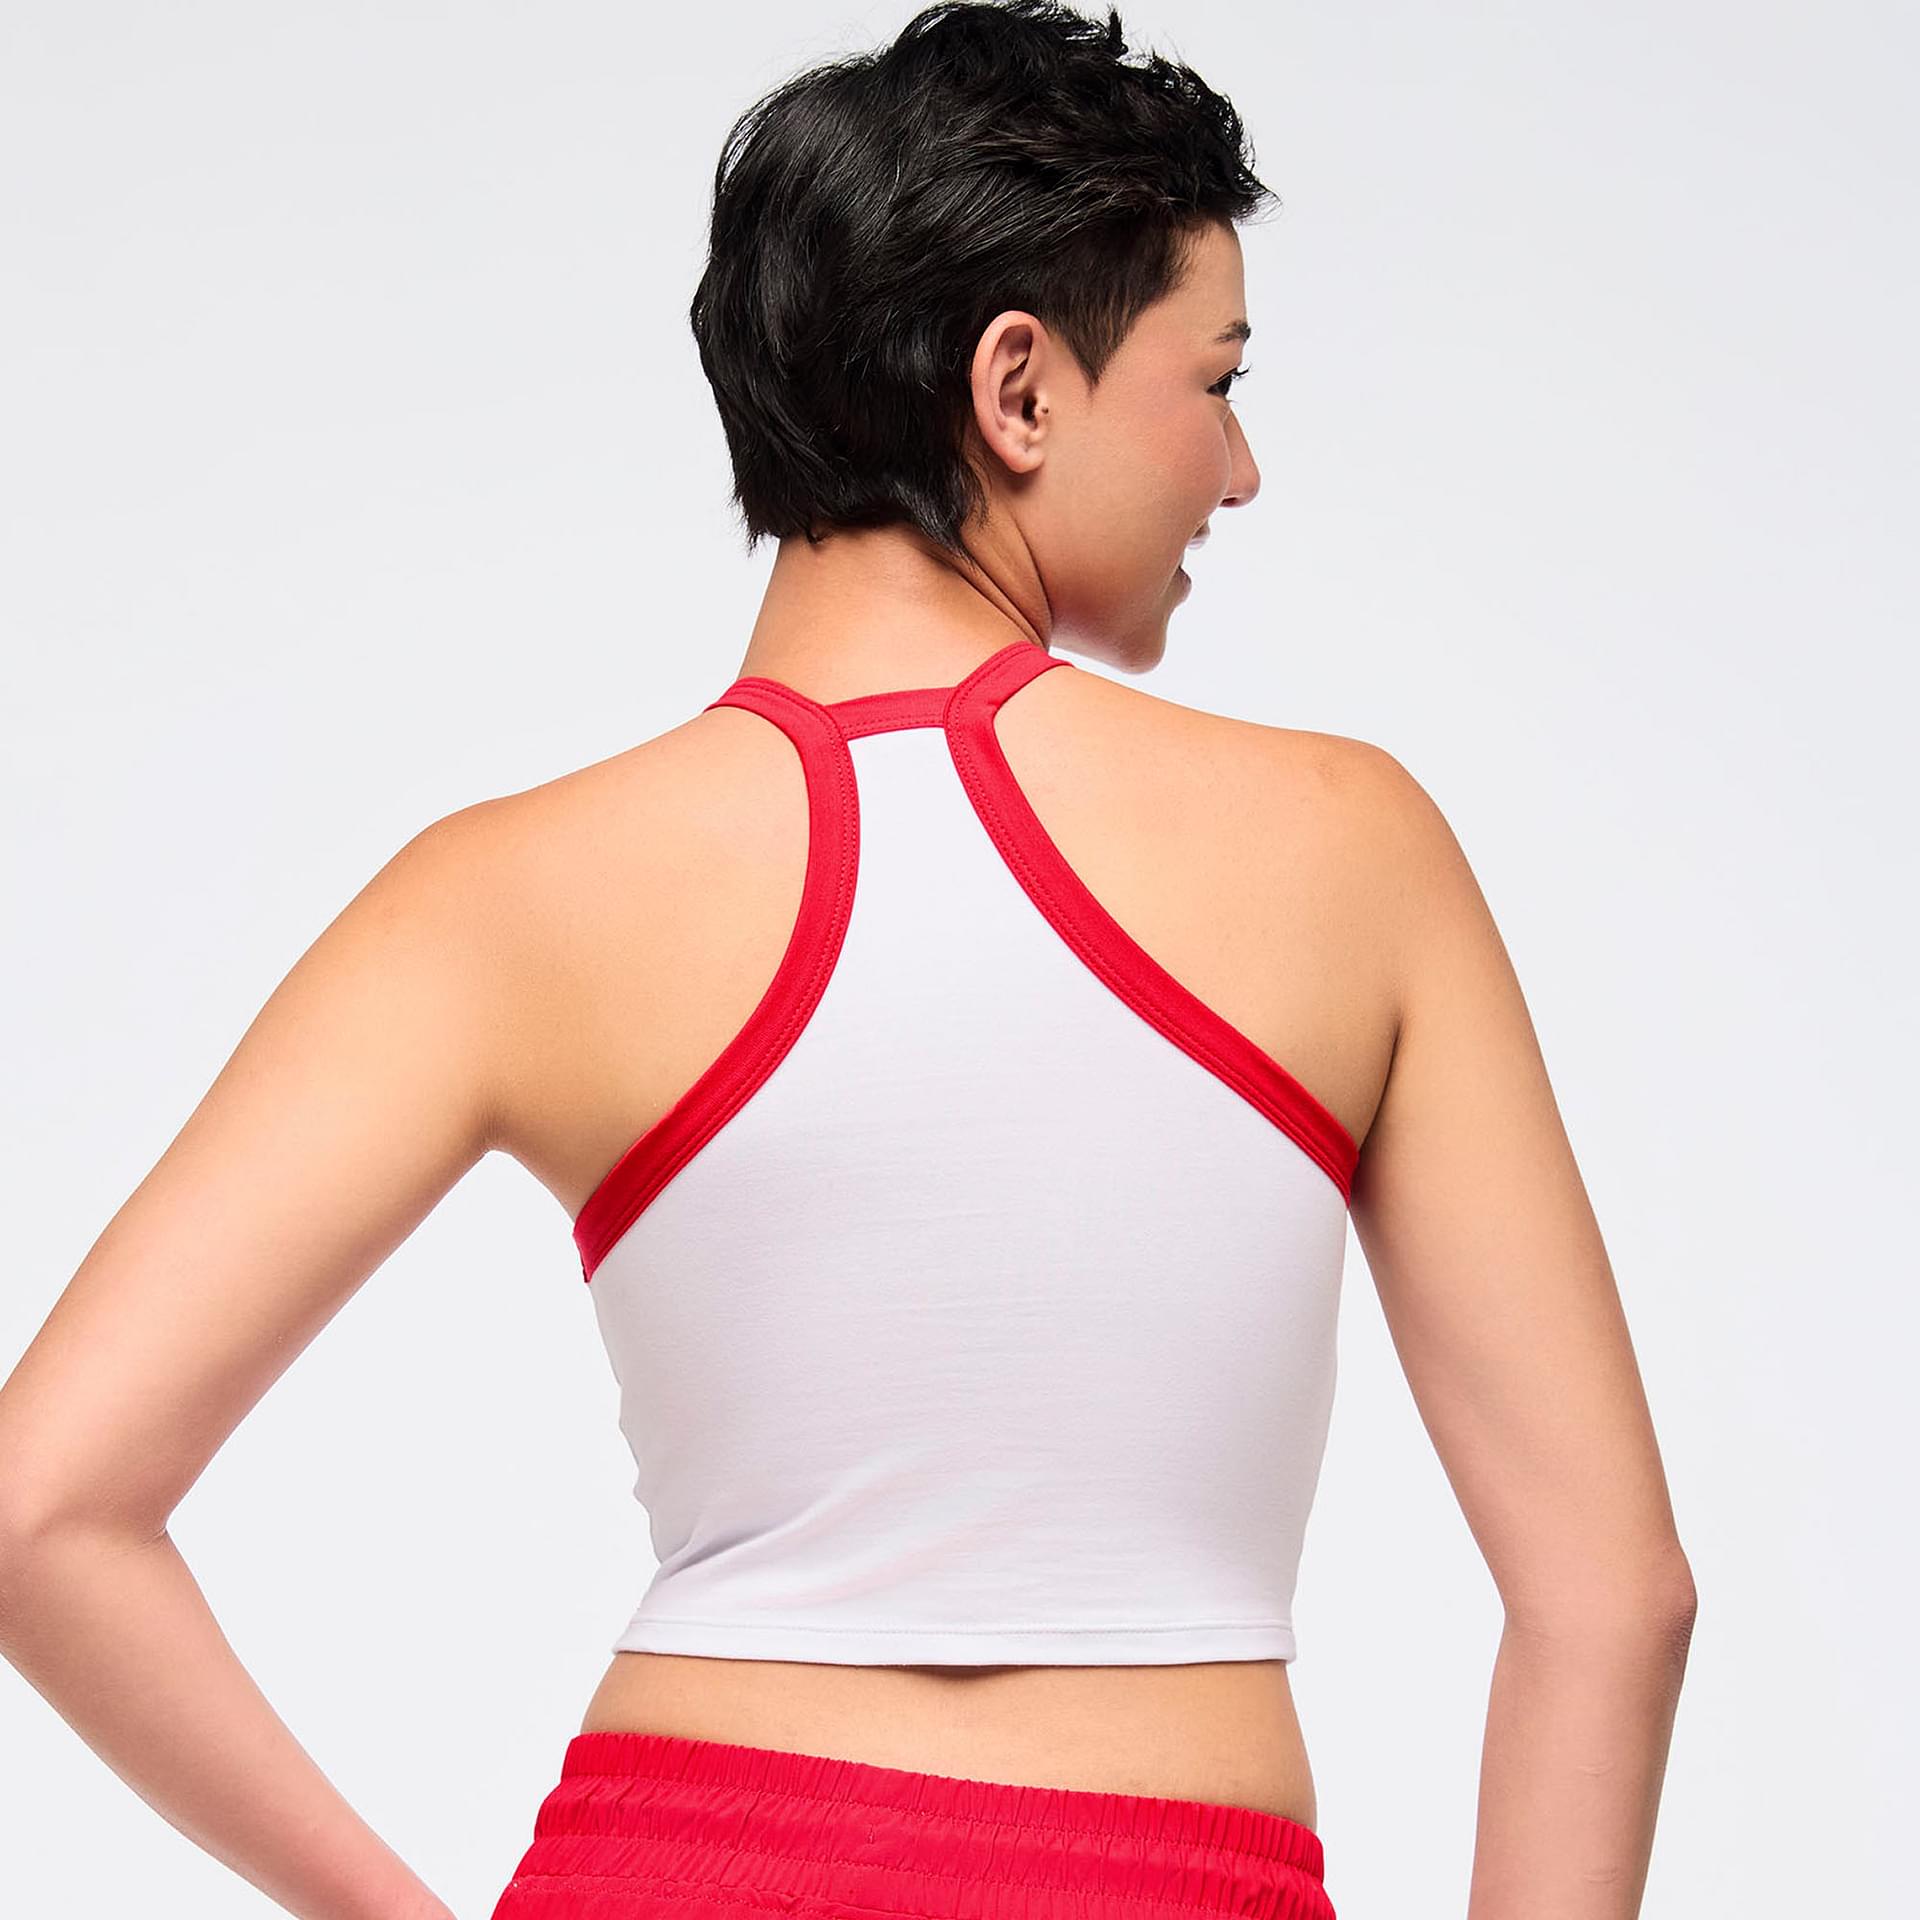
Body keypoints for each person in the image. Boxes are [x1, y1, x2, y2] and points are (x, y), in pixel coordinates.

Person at [0, 3, 1697, 1917]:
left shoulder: (503, 894)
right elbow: (1613, 1597)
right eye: (1215, 380)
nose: (1238, 471)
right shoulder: (1348, 844)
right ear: (1018, 389)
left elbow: (40, 1509)